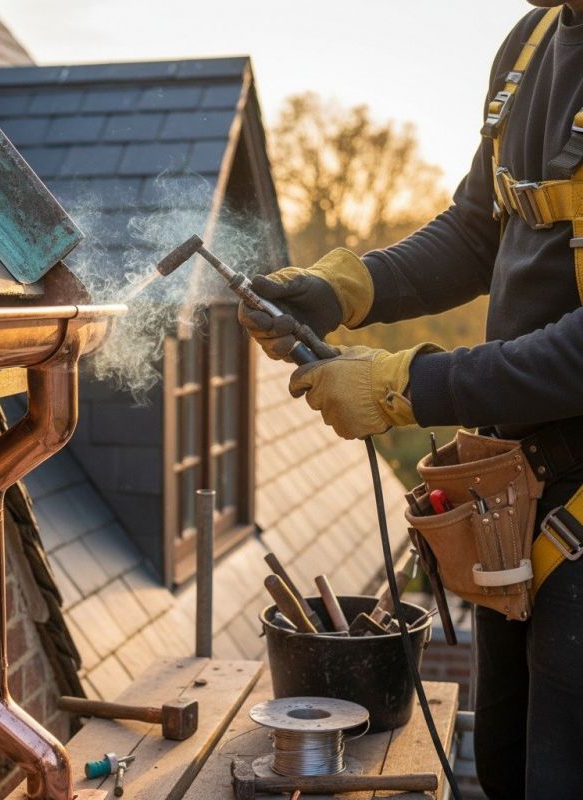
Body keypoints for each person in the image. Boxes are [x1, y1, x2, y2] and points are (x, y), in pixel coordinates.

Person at [239, 3, 583, 799]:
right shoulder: (532, 42)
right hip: (519, 501)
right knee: (505, 765)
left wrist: (404, 387)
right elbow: (478, 229)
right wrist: (344, 288)